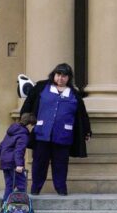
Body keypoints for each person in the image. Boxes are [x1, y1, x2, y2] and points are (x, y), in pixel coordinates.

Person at [20, 63, 92, 196]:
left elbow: (82, 114)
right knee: (39, 163)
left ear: (69, 78)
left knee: (61, 164)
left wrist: (86, 131)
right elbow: (28, 103)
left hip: (63, 135)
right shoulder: (41, 87)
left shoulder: (74, 94)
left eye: (64, 76)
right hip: (42, 134)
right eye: (58, 75)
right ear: (54, 75)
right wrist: (25, 116)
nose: (61, 78)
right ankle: (35, 189)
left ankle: (61, 189)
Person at [0, 113, 34, 202]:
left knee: (9, 185)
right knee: (21, 185)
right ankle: (22, 207)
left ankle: (4, 206)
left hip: (5, 161)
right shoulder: (23, 135)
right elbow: (19, 150)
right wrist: (19, 164)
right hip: (13, 163)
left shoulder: (12, 131)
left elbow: (1, 145)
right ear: (29, 125)